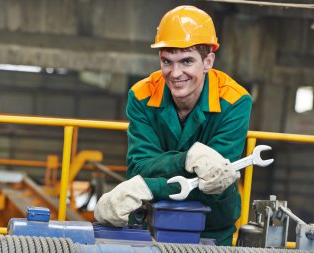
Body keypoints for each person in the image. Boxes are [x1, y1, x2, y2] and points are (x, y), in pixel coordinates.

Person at [94, 5, 252, 246]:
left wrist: (147, 187)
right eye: (167, 61)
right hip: (156, 223)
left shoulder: (234, 101)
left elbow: (214, 182)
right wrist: (186, 160)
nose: (175, 73)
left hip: (213, 229)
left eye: (187, 61)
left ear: (208, 61)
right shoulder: (142, 96)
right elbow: (139, 167)